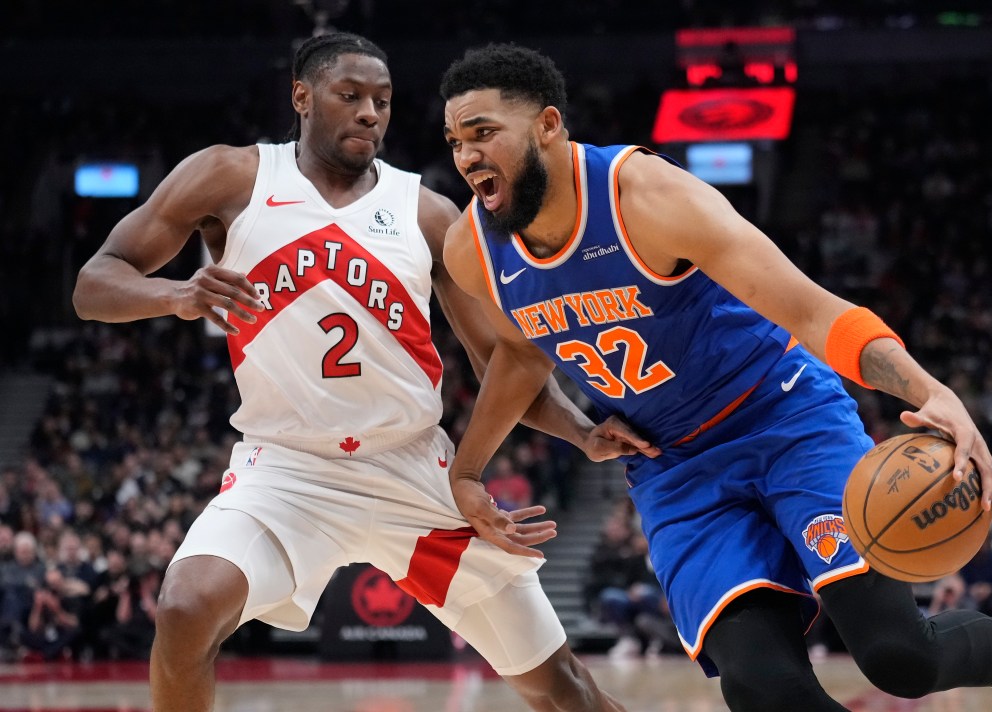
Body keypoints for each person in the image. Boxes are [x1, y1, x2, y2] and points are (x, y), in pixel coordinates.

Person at [438, 43, 992, 710]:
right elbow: (519, 354)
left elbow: (810, 311)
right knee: (763, 687)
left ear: (546, 125)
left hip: (782, 416)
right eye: (454, 141)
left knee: (899, 656)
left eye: (483, 133)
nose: (467, 156)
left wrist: (932, 392)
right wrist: (477, 467)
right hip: (677, 464)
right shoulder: (473, 249)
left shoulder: (647, 198)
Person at [72, 32, 651, 712]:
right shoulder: (231, 177)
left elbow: (500, 361)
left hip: (412, 470)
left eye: (382, 100)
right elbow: (94, 284)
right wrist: (176, 295)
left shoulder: (429, 213)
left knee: (564, 691)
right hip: (288, 470)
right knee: (185, 606)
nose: (370, 113)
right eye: (350, 97)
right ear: (302, 96)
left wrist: (582, 434)